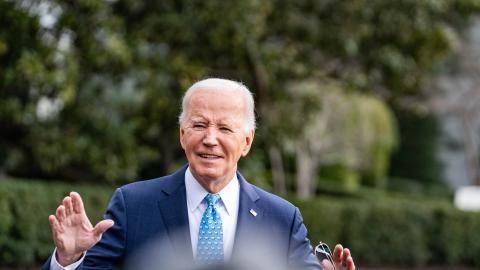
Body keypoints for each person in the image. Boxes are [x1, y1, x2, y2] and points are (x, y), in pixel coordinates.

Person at [42, 78, 355, 270]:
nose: (210, 139)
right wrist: (67, 261)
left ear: (247, 142)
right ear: (182, 134)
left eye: (224, 128)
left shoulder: (282, 220)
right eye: (200, 125)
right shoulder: (133, 205)